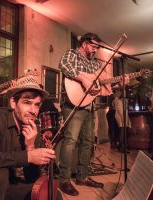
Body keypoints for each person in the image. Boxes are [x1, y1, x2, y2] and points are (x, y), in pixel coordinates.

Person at [58, 33, 105, 196]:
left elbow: (99, 84)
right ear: (85, 43)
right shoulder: (72, 54)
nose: (95, 50)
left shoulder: (94, 64)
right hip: (73, 105)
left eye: (97, 48)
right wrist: (83, 79)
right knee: (70, 141)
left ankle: (82, 176)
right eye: (93, 46)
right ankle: (64, 180)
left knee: (88, 141)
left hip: (89, 106)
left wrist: (118, 81)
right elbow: (64, 65)